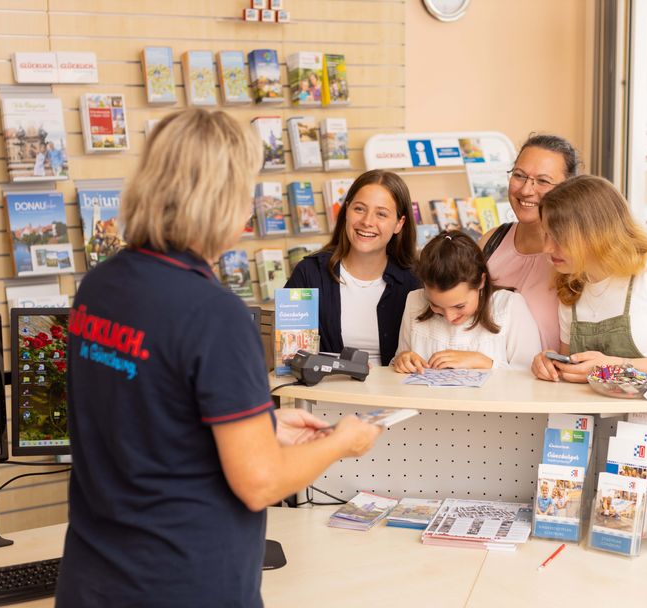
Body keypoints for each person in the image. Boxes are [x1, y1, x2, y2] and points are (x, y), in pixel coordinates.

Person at [55, 108, 383, 608]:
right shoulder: (215, 315)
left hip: (93, 580)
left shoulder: (100, 286)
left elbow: (147, 417)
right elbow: (261, 483)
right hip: (183, 584)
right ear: (221, 199)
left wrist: (260, 426)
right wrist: (341, 442)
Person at [530, 175, 647, 388]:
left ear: (595, 232)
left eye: (559, 238)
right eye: (546, 235)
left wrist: (613, 368)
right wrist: (552, 366)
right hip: (581, 421)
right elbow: (573, 376)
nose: (547, 248)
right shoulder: (571, 287)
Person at [286, 169, 420, 366]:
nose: (367, 222)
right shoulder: (309, 273)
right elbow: (289, 356)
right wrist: (342, 366)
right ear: (346, 211)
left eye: (381, 214)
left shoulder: (415, 282)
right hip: (328, 395)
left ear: (399, 224)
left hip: (394, 395)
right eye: (359, 209)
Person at [478, 134, 581, 351]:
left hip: (548, 382)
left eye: (543, 181)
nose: (526, 190)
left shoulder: (578, 257)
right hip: (488, 380)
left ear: (570, 187)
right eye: (519, 175)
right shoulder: (490, 242)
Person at [392, 231, 540, 372]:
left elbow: (529, 379)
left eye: (459, 306)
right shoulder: (414, 301)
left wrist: (484, 363)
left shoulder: (510, 307)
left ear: (481, 281)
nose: (449, 317)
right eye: (436, 305)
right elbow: (396, 368)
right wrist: (402, 361)